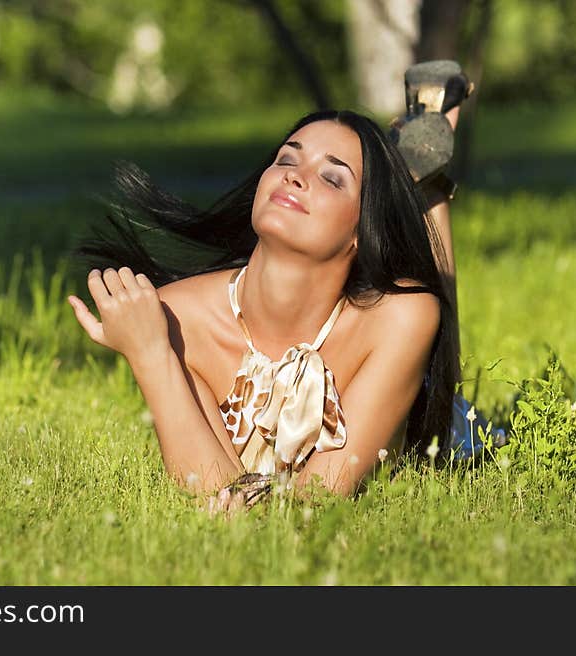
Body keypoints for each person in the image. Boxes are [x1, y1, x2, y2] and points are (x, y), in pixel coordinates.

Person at [68, 61, 488, 511]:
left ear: (361, 232)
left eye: (331, 177)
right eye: (287, 158)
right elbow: (211, 491)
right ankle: (406, 180)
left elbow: (320, 495)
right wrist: (149, 353)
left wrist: (250, 506)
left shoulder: (400, 317)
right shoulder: (172, 318)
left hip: (421, 418)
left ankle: (427, 189)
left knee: (439, 389)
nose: (293, 174)